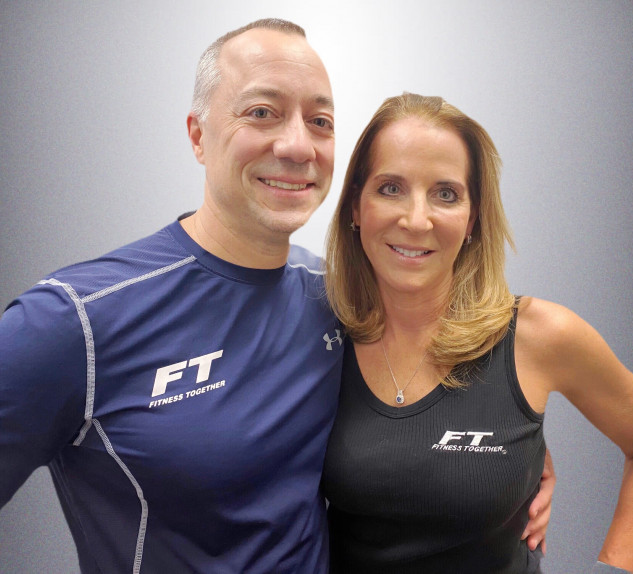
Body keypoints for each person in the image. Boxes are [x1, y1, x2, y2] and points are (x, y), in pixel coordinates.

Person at [0, 20, 553, 574]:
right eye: (262, 112)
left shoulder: (339, 300)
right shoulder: (74, 322)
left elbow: (436, 401)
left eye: (320, 122)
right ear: (197, 135)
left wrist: (524, 458)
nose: (296, 146)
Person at [322, 93, 633, 573]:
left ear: (473, 218)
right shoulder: (316, 334)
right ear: (356, 206)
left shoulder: (538, 336)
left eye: (446, 194)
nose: (416, 219)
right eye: (390, 188)